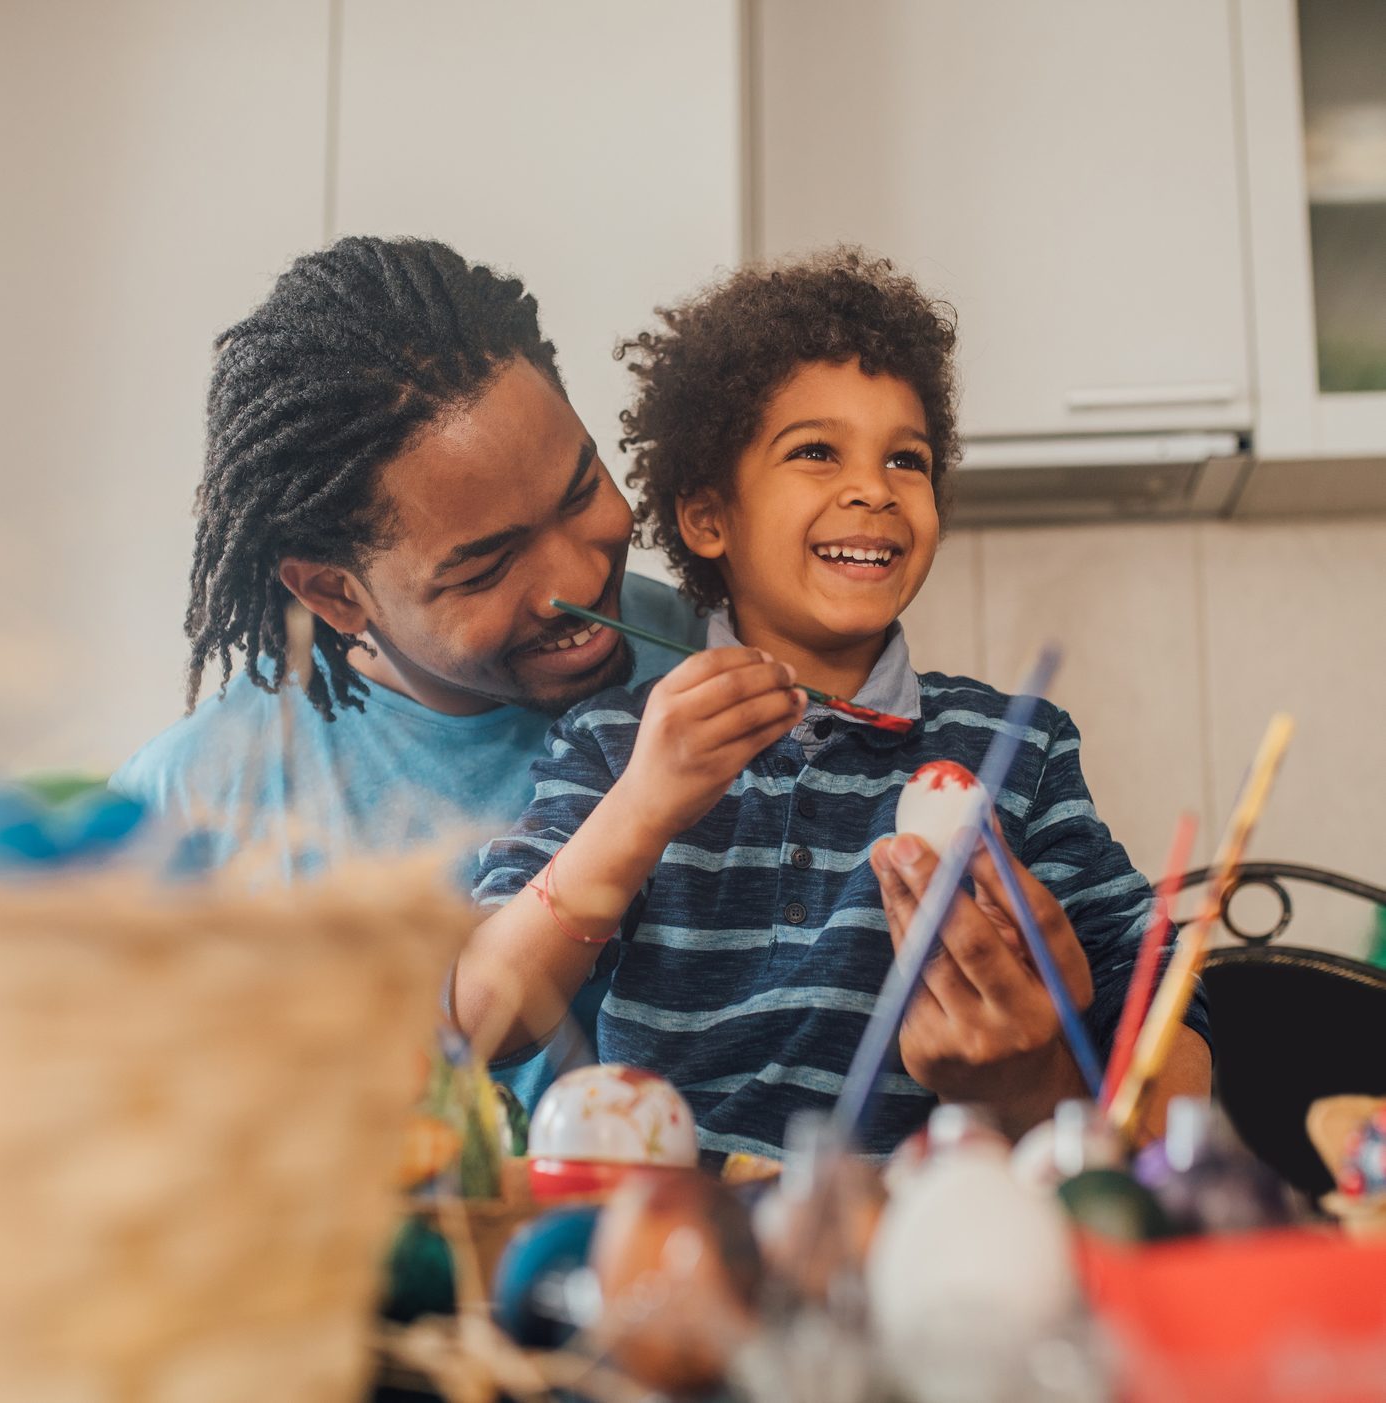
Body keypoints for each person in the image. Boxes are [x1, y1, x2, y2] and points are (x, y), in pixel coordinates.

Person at [457, 249, 1211, 1158]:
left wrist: (1051, 1076)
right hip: (666, 1243)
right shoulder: (620, 741)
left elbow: (1168, 1004)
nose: (873, 488)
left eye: (908, 458)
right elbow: (482, 1020)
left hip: (921, 1239)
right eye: (815, 452)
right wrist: (641, 808)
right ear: (707, 518)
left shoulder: (1014, 743)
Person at [111, 235, 707, 1108]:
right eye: (485, 566)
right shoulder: (188, 816)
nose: (578, 583)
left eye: (581, 491)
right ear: (334, 594)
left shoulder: (717, 654)